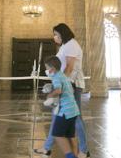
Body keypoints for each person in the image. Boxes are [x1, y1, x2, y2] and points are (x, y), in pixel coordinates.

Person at [34, 23, 90, 158]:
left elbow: (69, 68)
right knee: (58, 116)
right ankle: (47, 148)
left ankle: (84, 150)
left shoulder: (71, 44)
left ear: (62, 34)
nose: (54, 37)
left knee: (76, 118)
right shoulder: (65, 46)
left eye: (56, 34)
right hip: (67, 84)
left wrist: (62, 84)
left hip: (72, 85)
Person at [43, 55, 80, 158]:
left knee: (57, 134)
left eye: (47, 68)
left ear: (52, 68)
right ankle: (76, 155)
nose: (46, 70)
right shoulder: (62, 75)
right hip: (73, 110)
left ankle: (70, 156)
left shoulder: (56, 77)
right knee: (71, 136)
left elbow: (58, 90)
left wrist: (49, 95)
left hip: (65, 111)